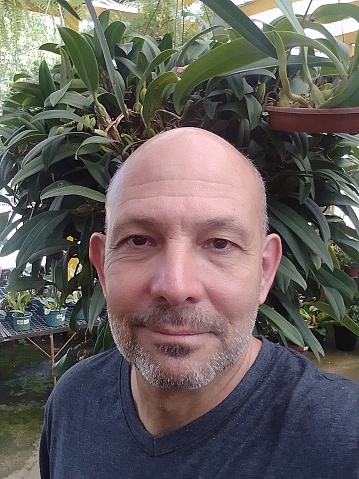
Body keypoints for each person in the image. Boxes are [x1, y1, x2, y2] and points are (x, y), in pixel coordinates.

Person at [39, 128, 359, 478]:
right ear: (102, 266)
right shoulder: (72, 404)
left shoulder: (342, 442)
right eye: (140, 240)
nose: (176, 287)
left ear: (264, 271)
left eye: (219, 243)